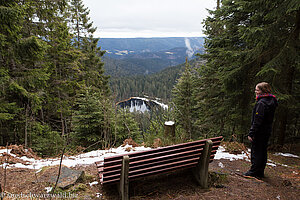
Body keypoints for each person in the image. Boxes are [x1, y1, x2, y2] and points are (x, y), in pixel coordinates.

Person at [244, 82, 278, 178]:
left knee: (256, 151)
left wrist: (252, 133)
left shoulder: (261, 103)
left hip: (259, 131)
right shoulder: (271, 101)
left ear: (263, 91)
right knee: (263, 151)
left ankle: (254, 172)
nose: (255, 92)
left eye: (257, 90)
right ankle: (260, 171)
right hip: (267, 130)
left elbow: (258, 120)